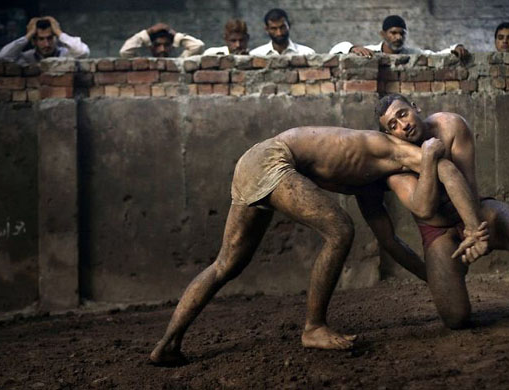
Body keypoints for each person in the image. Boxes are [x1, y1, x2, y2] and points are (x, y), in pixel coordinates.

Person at [149, 125, 490, 366]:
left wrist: (435, 282)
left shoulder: (369, 184)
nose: (402, 127)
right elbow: (444, 167)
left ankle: (167, 345)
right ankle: (313, 328)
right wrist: (474, 228)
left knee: (226, 264)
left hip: (254, 164)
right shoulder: (395, 149)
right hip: (272, 160)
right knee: (340, 229)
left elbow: (390, 242)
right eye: (396, 121)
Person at [375, 93, 509, 329]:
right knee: (455, 318)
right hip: (438, 232)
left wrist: (474, 228)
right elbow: (426, 209)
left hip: (475, 209)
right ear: (389, 135)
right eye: (393, 125)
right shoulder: (392, 161)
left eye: (403, 114)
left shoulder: (450, 125)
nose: (403, 126)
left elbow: (467, 184)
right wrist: (427, 159)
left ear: (415, 107)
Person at [329, 15, 469, 60]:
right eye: (393, 33)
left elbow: (435, 55)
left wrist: (455, 47)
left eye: (402, 34)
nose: (398, 37)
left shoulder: (412, 54)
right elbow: (333, 51)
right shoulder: (369, 51)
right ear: (383, 34)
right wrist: (352, 47)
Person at [0, 16, 89, 65]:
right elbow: (3, 56)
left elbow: (82, 52)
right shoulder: (27, 57)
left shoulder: (65, 54)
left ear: (56, 38)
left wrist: (58, 31)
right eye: (41, 39)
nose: (46, 44)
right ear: (34, 41)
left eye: (50, 38)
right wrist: (28, 35)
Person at [249, 8, 314, 56]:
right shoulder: (256, 55)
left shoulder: (306, 53)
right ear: (267, 29)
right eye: (274, 29)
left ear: (289, 26)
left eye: (282, 27)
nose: (279, 33)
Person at [119, 23, 204, 58]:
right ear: (151, 47)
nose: (162, 49)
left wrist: (175, 34)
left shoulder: (180, 62)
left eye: (166, 45)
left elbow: (198, 46)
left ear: (171, 46)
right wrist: (149, 32)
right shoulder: (143, 65)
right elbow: (125, 52)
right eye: (157, 45)